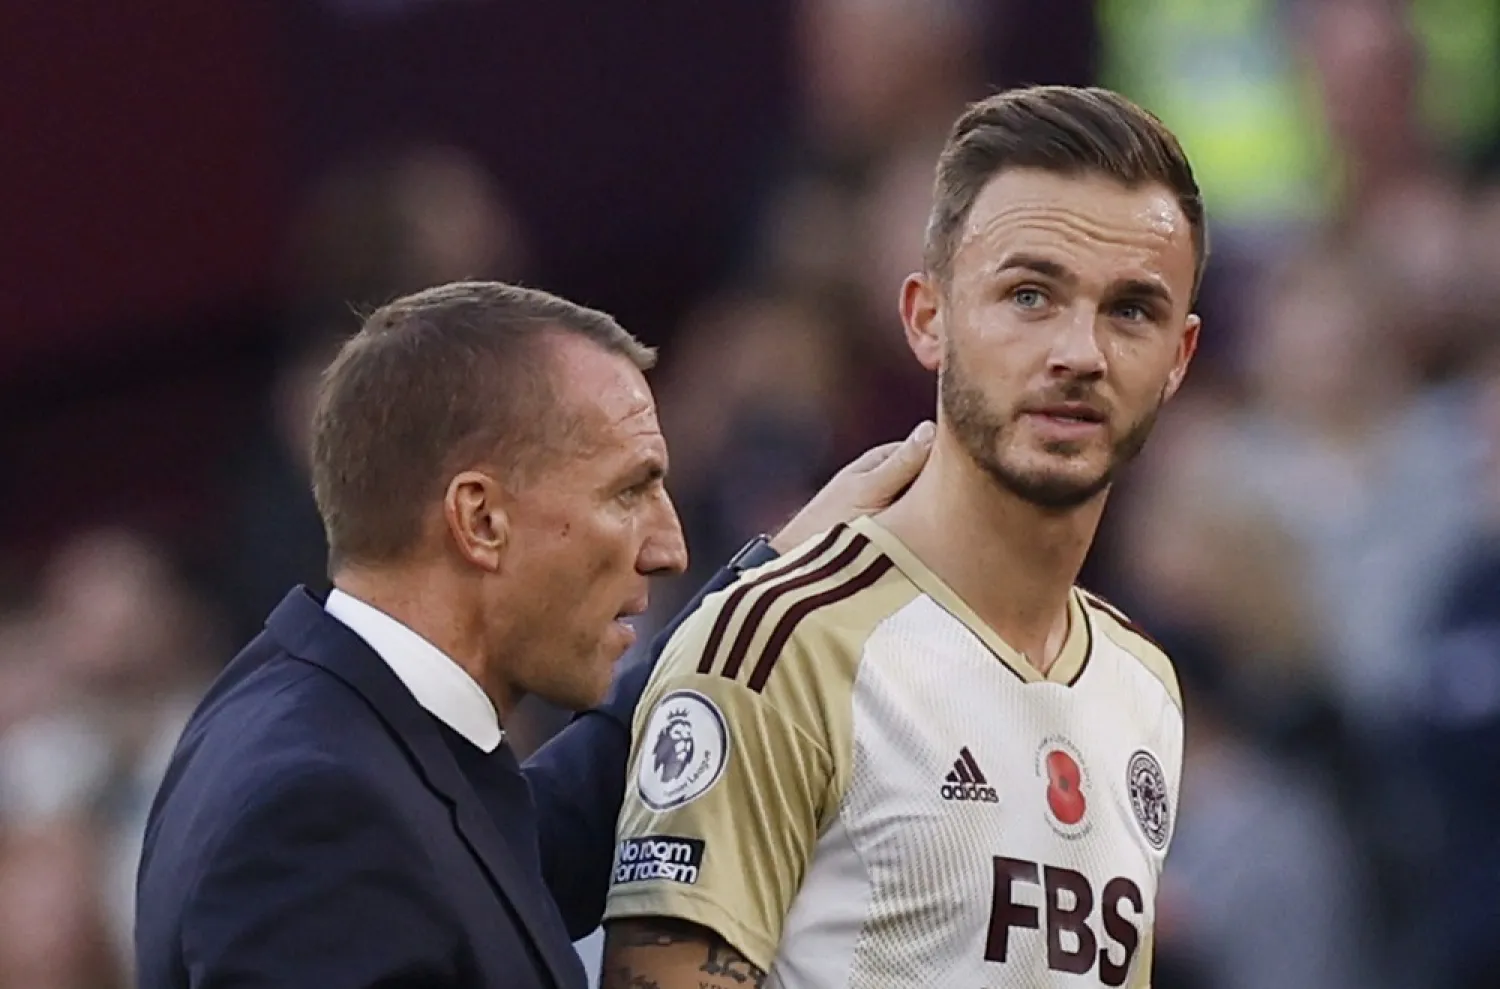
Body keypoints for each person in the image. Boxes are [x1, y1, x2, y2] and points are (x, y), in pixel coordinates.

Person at [133, 280, 933, 989]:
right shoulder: (317, 813)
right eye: (628, 492)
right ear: (481, 519)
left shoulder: (317, 714)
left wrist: (770, 580)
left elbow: (531, 839)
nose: (669, 548)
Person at [600, 84, 1205, 989]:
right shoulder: (780, 643)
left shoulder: (1142, 684)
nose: (1080, 352)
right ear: (928, 318)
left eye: (1131, 311)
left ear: (1179, 359)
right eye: (1030, 295)